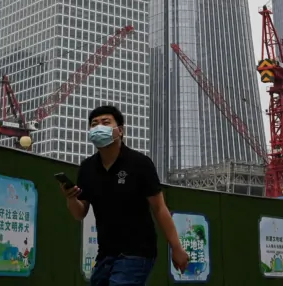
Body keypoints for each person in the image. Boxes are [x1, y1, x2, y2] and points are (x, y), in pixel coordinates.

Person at [61, 105, 189, 286]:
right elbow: (79, 213)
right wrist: (71, 198)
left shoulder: (140, 163)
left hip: (138, 252)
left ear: (120, 130)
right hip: (105, 253)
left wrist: (177, 248)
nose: (98, 127)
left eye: (105, 122)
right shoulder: (87, 168)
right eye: (94, 124)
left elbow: (159, 208)